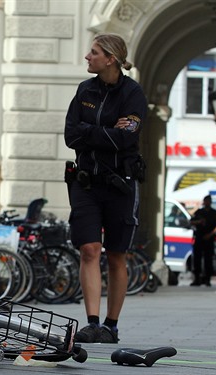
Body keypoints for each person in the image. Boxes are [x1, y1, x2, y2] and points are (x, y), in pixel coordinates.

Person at [64, 32, 147, 343]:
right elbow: (71, 135)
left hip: (121, 184)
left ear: (110, 59)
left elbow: (128, 137)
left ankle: (111, 326)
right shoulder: (85, 90)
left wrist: (90, 131)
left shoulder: (133, 93)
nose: (88, 56)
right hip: (86, 182)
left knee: (115, 254)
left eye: (94, 52)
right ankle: (93, 322)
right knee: (88, 249)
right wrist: (106, 131)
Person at [189, 195, 216, 287]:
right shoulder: (199, 212)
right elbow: (191, 221)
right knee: (197, 259)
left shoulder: (214, 213)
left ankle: (207, 279)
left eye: (208, 201)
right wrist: (199, 222)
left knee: (208, 260)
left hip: (209, 239)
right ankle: (197, 278)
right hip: (199, 238)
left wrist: (210, 234)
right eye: (206, 201)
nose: (207, 203)